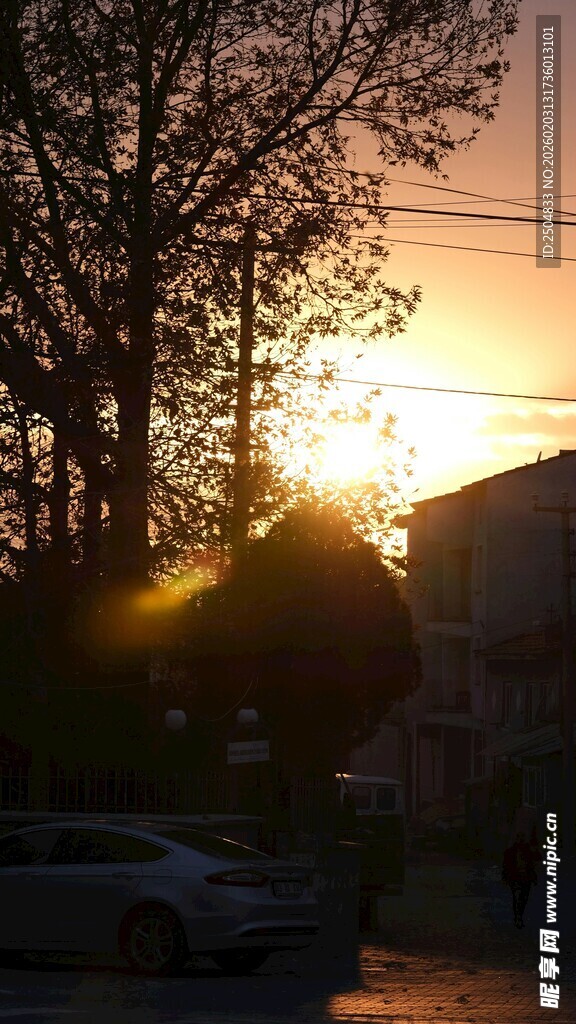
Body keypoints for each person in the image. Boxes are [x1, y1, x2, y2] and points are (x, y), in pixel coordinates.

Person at [501, 831, 538, 928]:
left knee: (524, 898)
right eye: (519, 837)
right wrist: (505, 877)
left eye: (522, 837)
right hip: (515, 878)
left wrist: (534, 878)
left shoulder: (528, 850)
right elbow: (506, 866)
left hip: (526, 878)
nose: (521, 839)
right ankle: (518, 917)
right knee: (517, 897)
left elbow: (534, 863)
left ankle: (519, 915)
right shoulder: (510, 851)